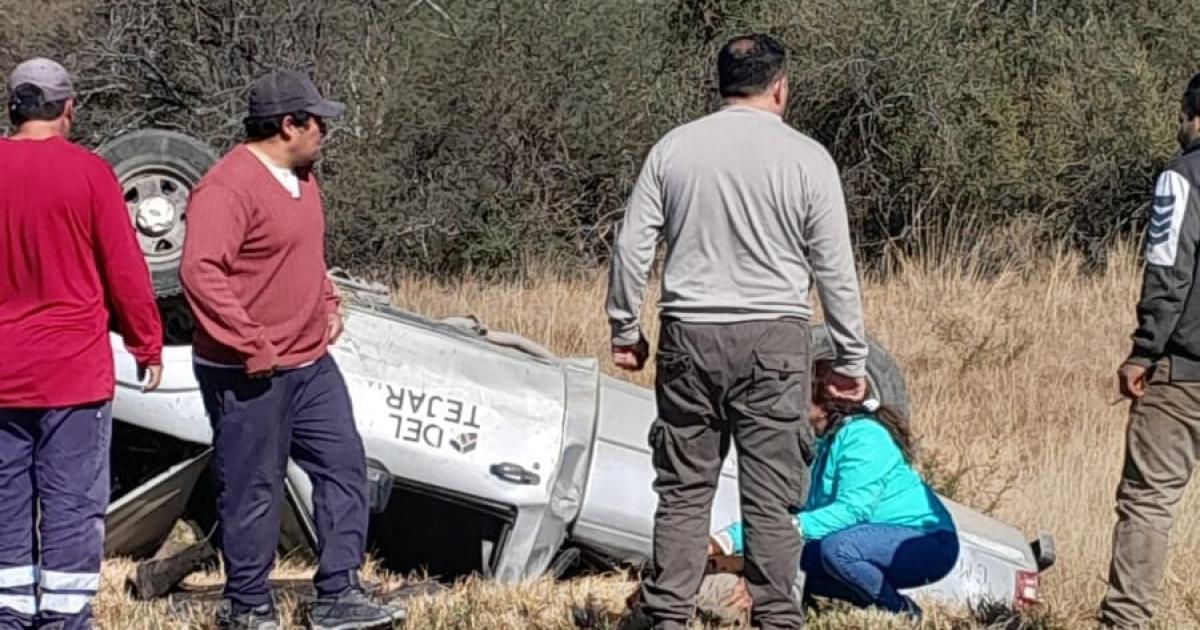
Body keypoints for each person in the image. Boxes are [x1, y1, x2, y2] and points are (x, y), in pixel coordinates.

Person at [607, 33, 870, 630]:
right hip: (775, 341)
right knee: (772, 502)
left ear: (719, 84)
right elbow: (836, 270)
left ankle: (667, 615)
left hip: (688, 336)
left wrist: (626, 327)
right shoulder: (807, 158)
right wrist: (851, 357)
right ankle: (777, 618)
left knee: (682, 492)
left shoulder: (673, 149)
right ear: (781, 87)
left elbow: (630, 249)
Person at [179, 70, 402, 630]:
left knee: (345, 468)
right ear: (288, 125)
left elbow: (303, 254)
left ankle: (339, 592)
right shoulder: (226, 189)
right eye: (316, 121)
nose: (324, 130)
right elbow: (201, 273)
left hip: (310, 364)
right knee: (253, 484)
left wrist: (328, 298)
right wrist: (251, 343)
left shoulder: (304, 179)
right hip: (247, 370)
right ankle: (247, 604)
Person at [0, 58, 164, 629]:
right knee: (70, 502)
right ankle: (66, 618)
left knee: (5, 500)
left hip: (2, 373)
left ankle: (9, 612)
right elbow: (125, 270)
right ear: (68, 110)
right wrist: (147, 343)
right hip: (71, 372)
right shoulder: (90, 174)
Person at [706, 362, 958, 619]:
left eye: (797, 396)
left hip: (925, 540)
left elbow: (851, 512)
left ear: (824, 403)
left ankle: (901, 613)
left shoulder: (866, 437)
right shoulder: (821, 442)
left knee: (837, 551)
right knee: (797, 561)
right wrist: (726, 541)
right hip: (862, 538)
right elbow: (792, 513)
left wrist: (783, 536)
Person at [1099, 72, 1200, 629]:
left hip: (1183, 371)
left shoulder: (1181, 177)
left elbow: (1169, 271)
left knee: (1149, 503)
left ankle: (1126, 622)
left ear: (1191, 114)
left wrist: (1143, 350)